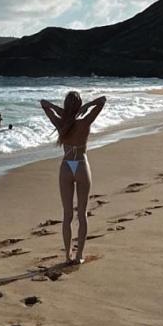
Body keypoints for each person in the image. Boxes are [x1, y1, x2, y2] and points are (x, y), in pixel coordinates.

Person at [39, 91, 107, 265]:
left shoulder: (61, 123)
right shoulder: (85, 122)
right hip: (81, 164)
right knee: (82, 214)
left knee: (67, 215)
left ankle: (67, 255)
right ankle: (79, 256)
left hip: (67, 166)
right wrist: (87, 106)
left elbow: (44, 102)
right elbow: (102, 101)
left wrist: (60, 110)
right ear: (79, 106)